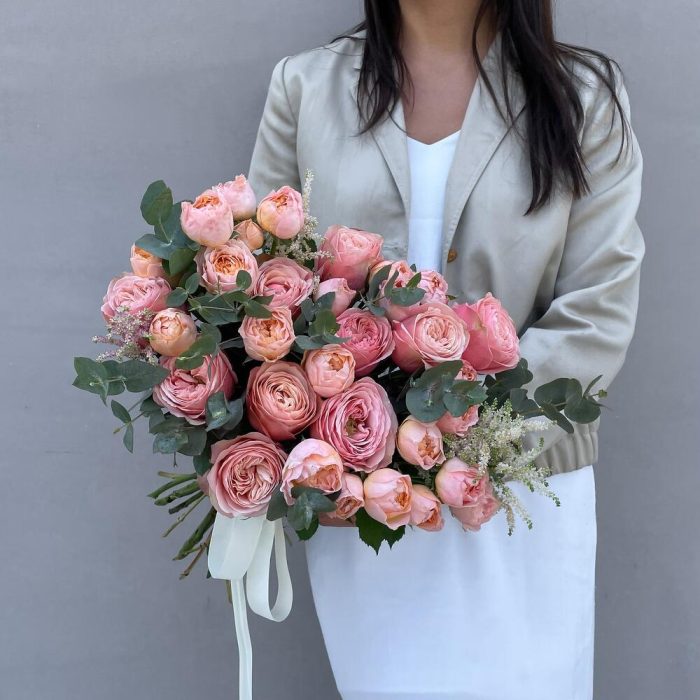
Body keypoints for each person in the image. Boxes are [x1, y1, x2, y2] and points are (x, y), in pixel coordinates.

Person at [247, 1, 644, 698]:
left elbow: (597, 308)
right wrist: (360, 446)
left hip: (525, 492)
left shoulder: (583, 97)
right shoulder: (306, 87)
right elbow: (264, 287)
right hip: (368, 500)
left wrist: (469, 436)